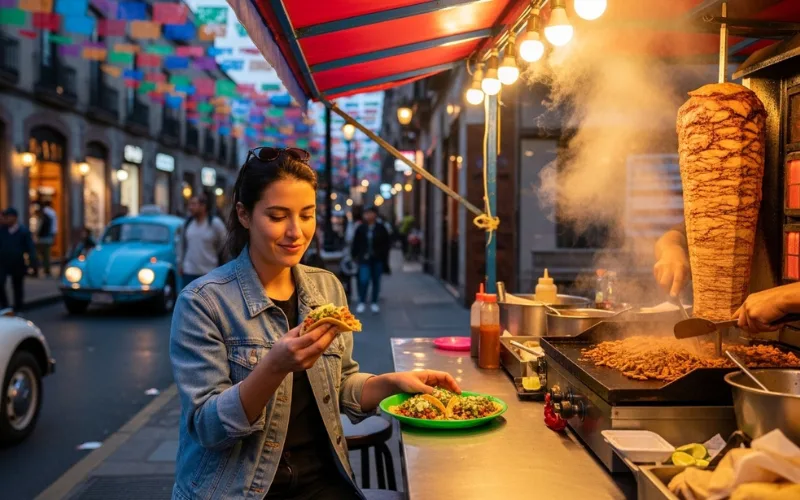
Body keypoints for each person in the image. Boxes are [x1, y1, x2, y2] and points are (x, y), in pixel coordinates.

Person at [169, 147, 459, 499]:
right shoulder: (203, 302)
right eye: (277, 216)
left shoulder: (326, 287)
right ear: (244, 215)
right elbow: (208, 427)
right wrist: (273, 367)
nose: (296, 231)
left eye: (306, 215)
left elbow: (341, 385)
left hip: (325, 481)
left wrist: (391, 384)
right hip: (240, 489)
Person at [350, 206, 391, 314]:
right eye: (366, 213)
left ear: (375, 214)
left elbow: (386, 244)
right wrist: (355, 256)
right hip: (364, 259)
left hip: (377, 259)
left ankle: (374, 302)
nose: (368, 215)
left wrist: (384, 257)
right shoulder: (361, 228)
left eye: (370, 213)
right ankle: (362, 301)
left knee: (376, 281)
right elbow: (356, 243)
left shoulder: (381, 228)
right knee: (363, 280)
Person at [181, 194, 227, 287]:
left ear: (203, 206)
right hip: (189, 271)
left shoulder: (215, 223)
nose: (190, 207)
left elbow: (224, 243)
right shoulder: (188, 223)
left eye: (194, 204)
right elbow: (182, 245)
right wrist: (181, 263)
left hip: (208, 272)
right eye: (189, 204)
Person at [0, 208, 38, 311]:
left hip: (17, 263)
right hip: (3, 262)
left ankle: (18, 307)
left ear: (14, 218)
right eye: (5, 217)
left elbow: (30, 248)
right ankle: (5, 306)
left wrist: (32, 263)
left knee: (17, 286)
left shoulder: (23, 231)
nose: (6, 219)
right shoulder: (2, 230)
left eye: (8, 217)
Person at [35, 202, 56, 277]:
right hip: (47, 238)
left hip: (43, 239)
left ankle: (39, 270)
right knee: (46, 256)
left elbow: (40, 229)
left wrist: (37, 236)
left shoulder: (44, 217)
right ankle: (46, 270)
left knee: (41, 255)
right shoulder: (50, 215)